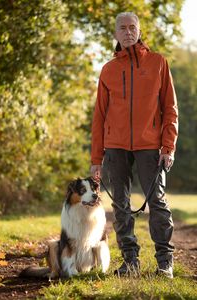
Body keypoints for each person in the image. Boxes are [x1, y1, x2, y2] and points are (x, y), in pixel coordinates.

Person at [90, 12, 178, 279]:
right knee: (120, 203)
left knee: (157, 202)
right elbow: (99, 116)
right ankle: (130, 261)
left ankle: (165, 262)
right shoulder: (108, 70)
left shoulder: (158, 63)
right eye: (122, 28)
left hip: (150, 145)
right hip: (115, 145)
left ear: (139, 31)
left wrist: (168, 147)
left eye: (132, 27)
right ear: (116, 34)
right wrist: (96, 158)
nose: (128, 32)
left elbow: (170, 109)